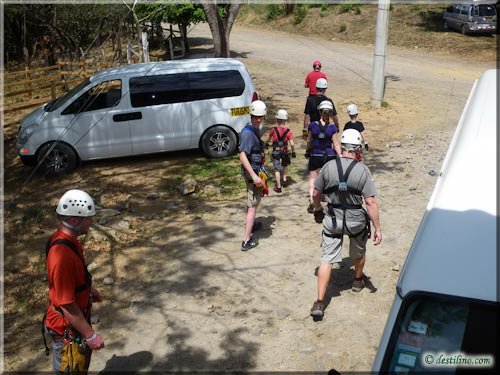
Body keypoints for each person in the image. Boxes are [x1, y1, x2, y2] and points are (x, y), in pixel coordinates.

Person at [309, 129, 382, 318]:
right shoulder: (363, 170)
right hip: (356, 221)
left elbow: (316, 193)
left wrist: (317, 208)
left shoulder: (328, 166)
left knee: (327, 259)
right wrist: (377, 228)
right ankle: (357, 280)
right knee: (358, 251)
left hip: (333, 219)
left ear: (341, 147)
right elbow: (371, 202)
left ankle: (319, 302)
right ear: (358, 149)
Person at [43, 189, 105, 373]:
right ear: (73, 221)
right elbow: (66, 304)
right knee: (69, 369)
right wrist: (90, 335)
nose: (91, 221)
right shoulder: (61, 255)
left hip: (73, 322)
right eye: (88, 218)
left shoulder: (68, 241)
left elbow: (70, 280)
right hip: (65, 329)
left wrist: (88, 290)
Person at [239, 100, 267, 251]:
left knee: (252, 201)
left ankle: (251, 224)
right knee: (252, 205)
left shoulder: (253, 129)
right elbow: (242, 155)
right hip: (253, 173)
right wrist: (254, 176)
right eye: (256, 116)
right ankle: (246, 239)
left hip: (254, 170)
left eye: (260, 116)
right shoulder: (248, 134)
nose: (258, 119)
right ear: (251, 115)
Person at [306, 100, 342, 213]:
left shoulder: (312, 126)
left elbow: (309, 140)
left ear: (320, 112)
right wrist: (340, 155)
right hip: (329, 156)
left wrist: (307, 150)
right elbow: (336, 143)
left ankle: (313, 200)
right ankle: (329, 199)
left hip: (315, 154)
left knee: (313, 177)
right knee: (329, 179)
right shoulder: (332, 128)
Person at [267, 109, 296, 192]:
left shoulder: (273, 130)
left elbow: (268, 139)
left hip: (276, 151)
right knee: (285, 165)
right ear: (285, 120)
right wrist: (293, 151)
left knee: (276, 169)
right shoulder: (288, 131)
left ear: (277, 119)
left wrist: (265, 144)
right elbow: (292, 143)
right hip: (285, 151)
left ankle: (278, 186)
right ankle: (284, 179)